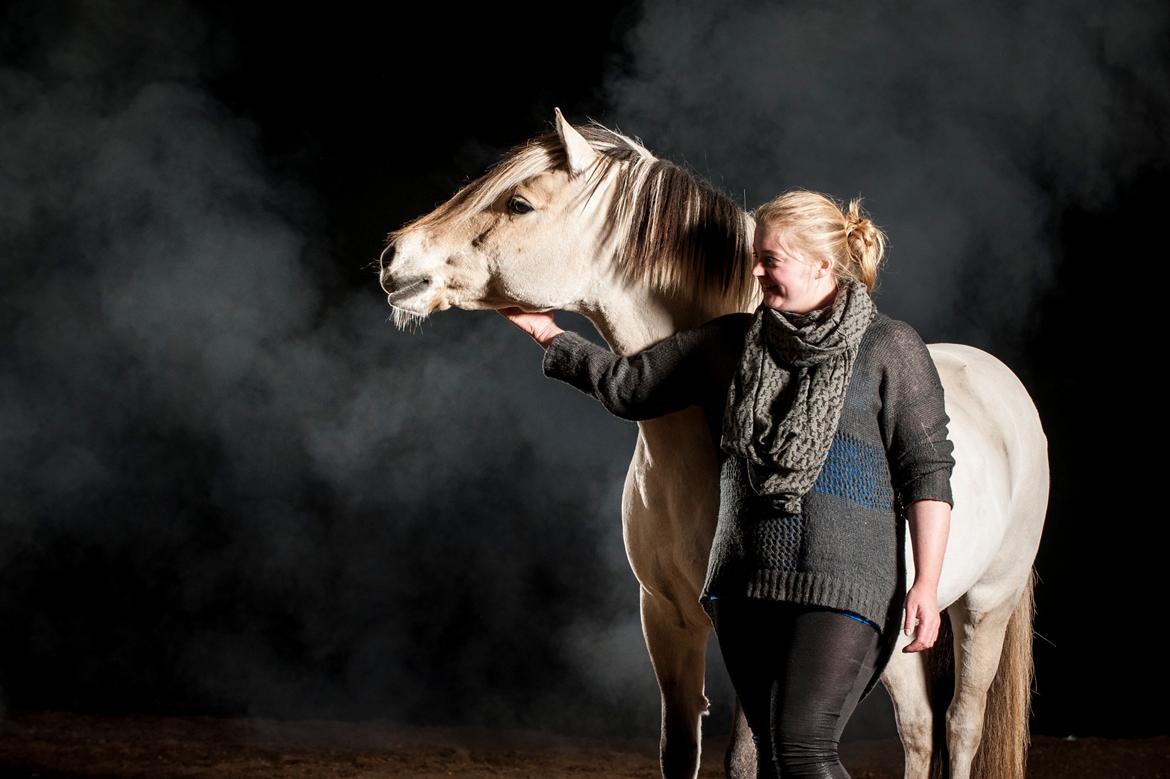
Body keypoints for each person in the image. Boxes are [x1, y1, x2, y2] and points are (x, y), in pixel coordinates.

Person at [497, 189, 954, 778]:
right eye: (755, 258)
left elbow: (927, 472)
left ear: (823, 264)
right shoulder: (730, 342)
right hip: (744, 585)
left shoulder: (890, 347)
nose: (756, 272)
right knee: (773, 754)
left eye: (771, 260)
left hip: (843, 587)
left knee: (803, 749)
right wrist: (546, 333)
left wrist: (927, 583)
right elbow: (630, 386)